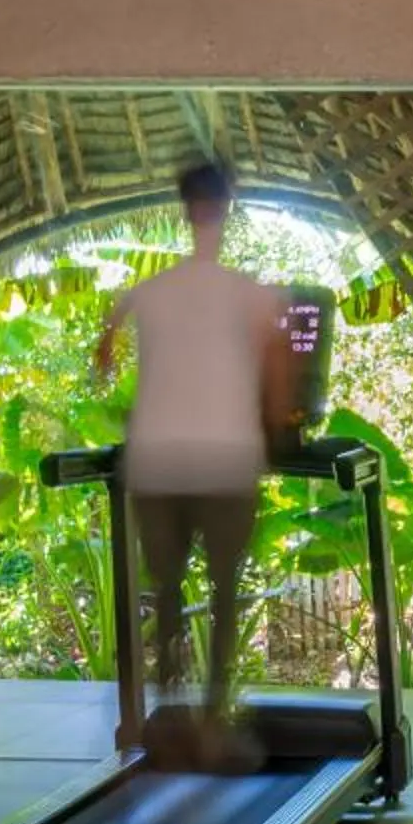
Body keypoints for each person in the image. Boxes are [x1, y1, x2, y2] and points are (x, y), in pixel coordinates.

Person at [92, 159, 296, 766]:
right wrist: (281, 425)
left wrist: (124, 365)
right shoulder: (251, 294)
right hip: (226, 460)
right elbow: (280, 382)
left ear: (185, 209)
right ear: (225, 208)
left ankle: (165, 716)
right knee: (225, 593)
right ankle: (210, 721)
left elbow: (105, 348)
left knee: (169, 591)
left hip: (157, 463)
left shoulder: (148, 292)